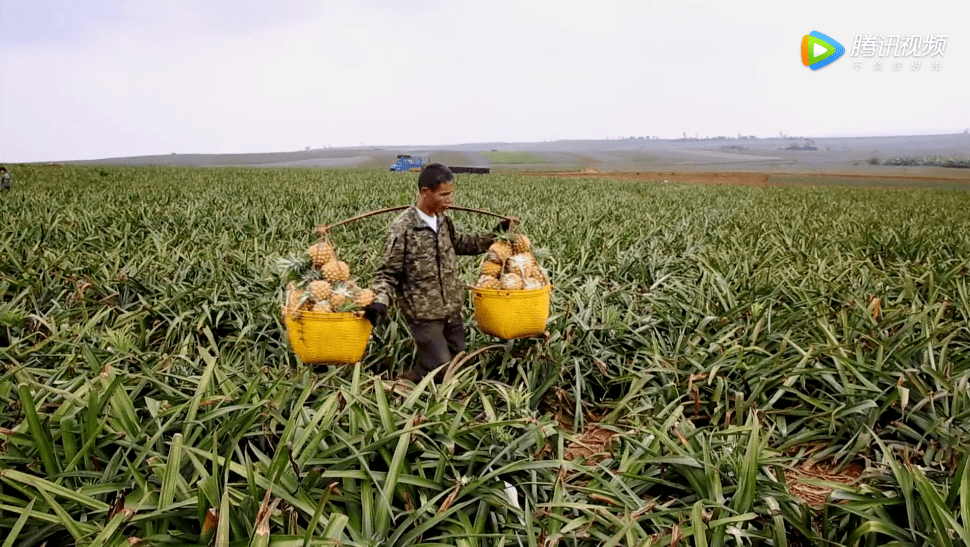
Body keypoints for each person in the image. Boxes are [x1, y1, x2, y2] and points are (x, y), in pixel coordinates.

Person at [364, 163, 512, 382]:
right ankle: (400, 388)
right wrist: (379, 301)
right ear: (426, 192)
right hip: (424, 314)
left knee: (457, 363)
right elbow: (387, 273)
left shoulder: (443, 221)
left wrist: (495, 235)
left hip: (452, 308)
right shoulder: (403, 228)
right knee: (441, 368)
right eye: (444, 194)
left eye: (451, 194)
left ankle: (417, 388)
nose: (450, 200)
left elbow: (462, 244)